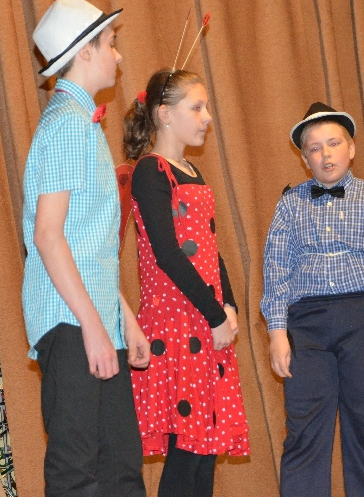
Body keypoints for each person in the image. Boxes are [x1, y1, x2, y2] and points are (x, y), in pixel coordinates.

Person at [22, 0, 150, 497]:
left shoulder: (84, 124)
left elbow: (86, 245)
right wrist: (94, 327)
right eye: (111, 44)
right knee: (77, 472)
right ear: (84, 52)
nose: (118, 55)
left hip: (93, 318)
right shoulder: (66, 125)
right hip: (71, 320)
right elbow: (48, 235)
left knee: (121, 468)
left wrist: (123, 320)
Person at [261, 102, 364, 496]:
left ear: (351, 149)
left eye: (334, 143)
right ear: (304, 159)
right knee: (304, 433)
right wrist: (277, 333)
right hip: (306, 328)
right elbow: (276, 272)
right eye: (315, 148)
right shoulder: (289, 206)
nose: (326, 154)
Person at [123, 69, 250, 497]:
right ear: (164, 114)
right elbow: (167, 253)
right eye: (196, 107)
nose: (207, 117)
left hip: (206, 319)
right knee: (187, 453)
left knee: (205, 451)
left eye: (206, 107)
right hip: (177, 323)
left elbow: (209, 249)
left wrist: (229, 305)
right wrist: (214, 314)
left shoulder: (192, 170)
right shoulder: (150, 171)